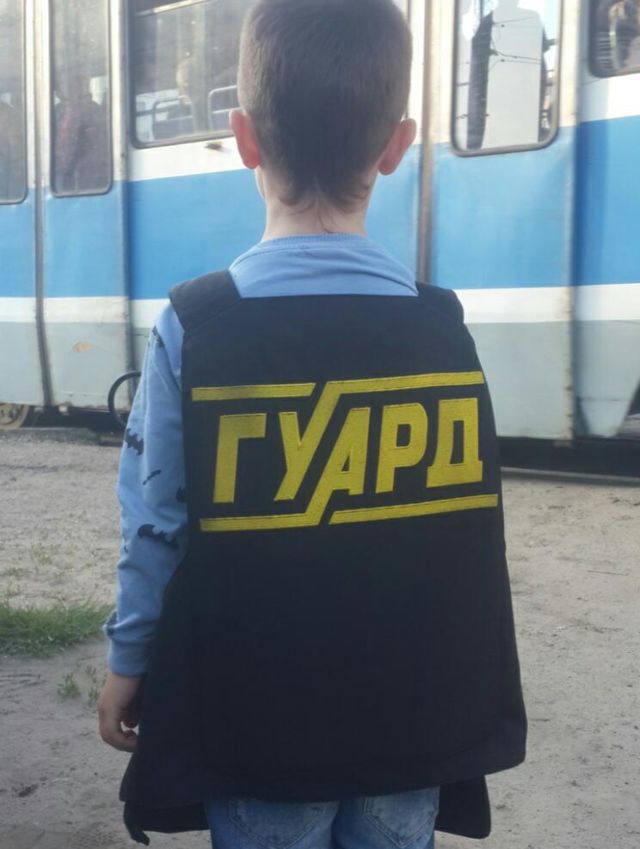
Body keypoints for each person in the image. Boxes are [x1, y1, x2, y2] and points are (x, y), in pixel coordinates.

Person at [98, 1, 527, 847]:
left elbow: (157, 523)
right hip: (410, 727)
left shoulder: (198, 325)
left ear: (244, 138)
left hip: (259, 730)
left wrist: (129, 661)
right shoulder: (442, 327)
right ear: (397, 146)